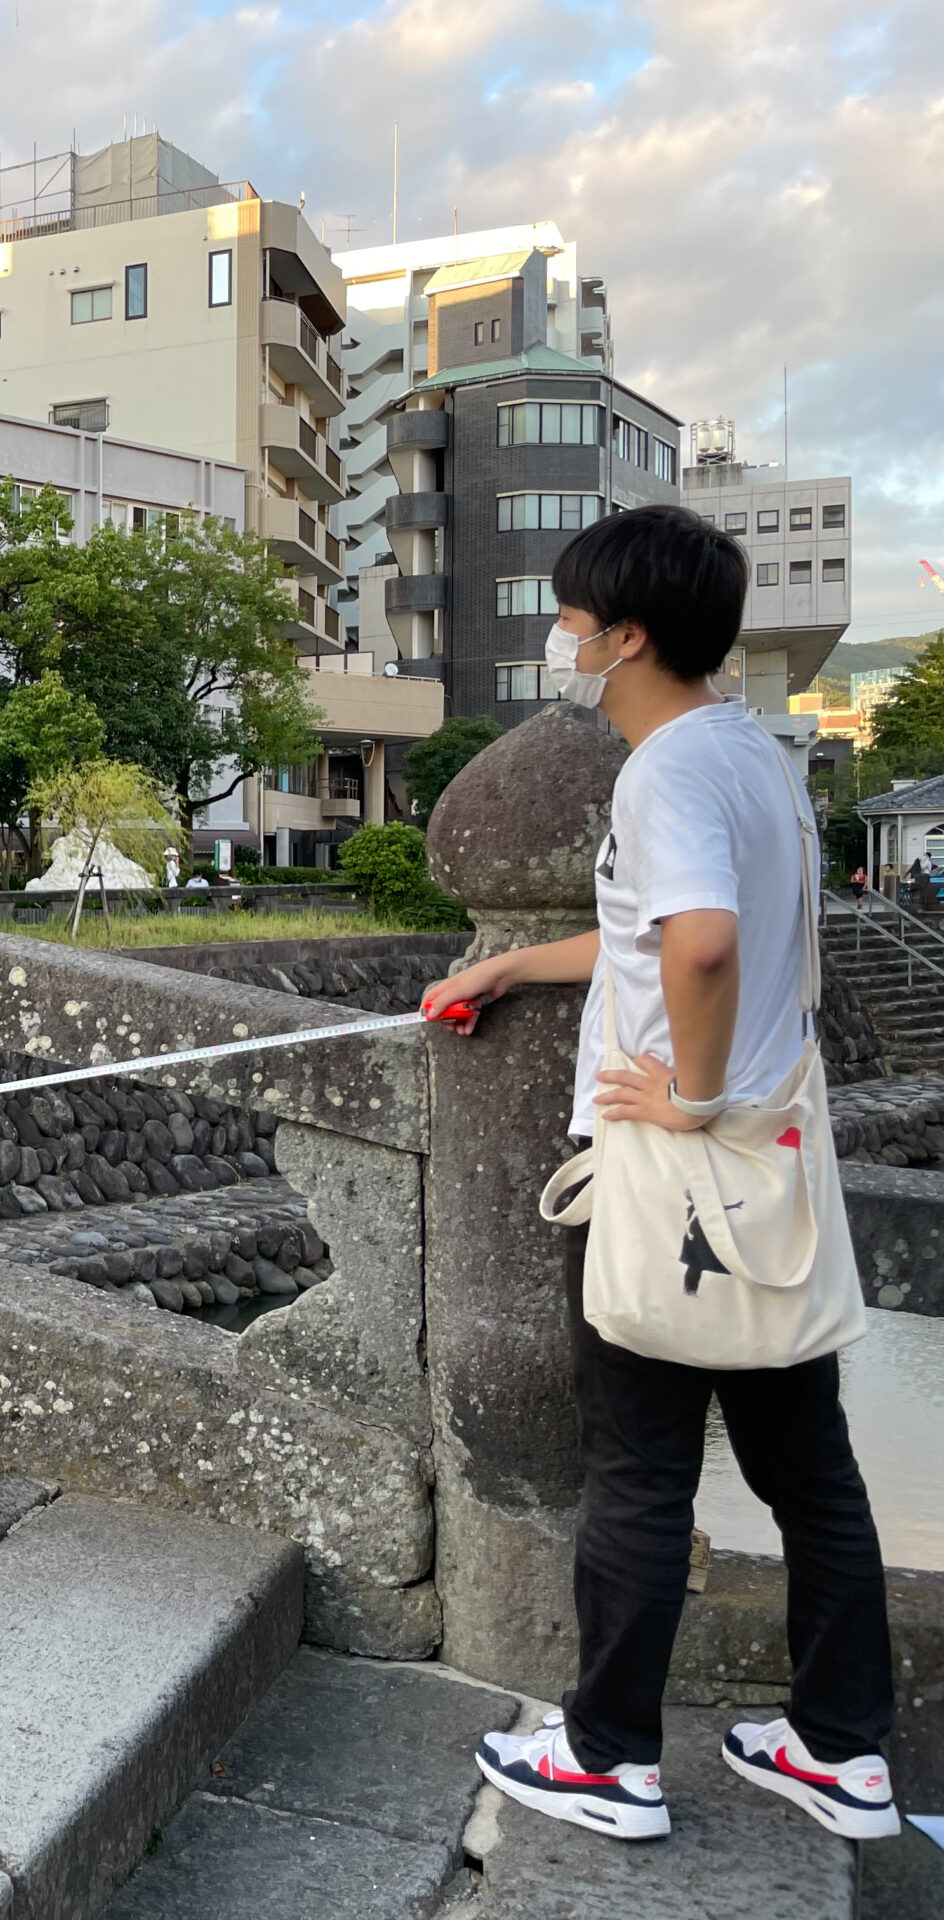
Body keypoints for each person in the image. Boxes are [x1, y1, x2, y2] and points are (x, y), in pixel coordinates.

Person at [422, 505, 895, 1846]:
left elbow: (699, 945)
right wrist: (515, 964)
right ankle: (841, 1748)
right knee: (812, 1472)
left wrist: (685, 1093)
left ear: (623, 637)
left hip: (670, 1173)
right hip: (768, 1172)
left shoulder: (661, 773)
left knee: (636, 1465)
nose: (559, 640)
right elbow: (657, 932)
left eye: (571, 620)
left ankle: (608, 1757)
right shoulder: (753, 755)